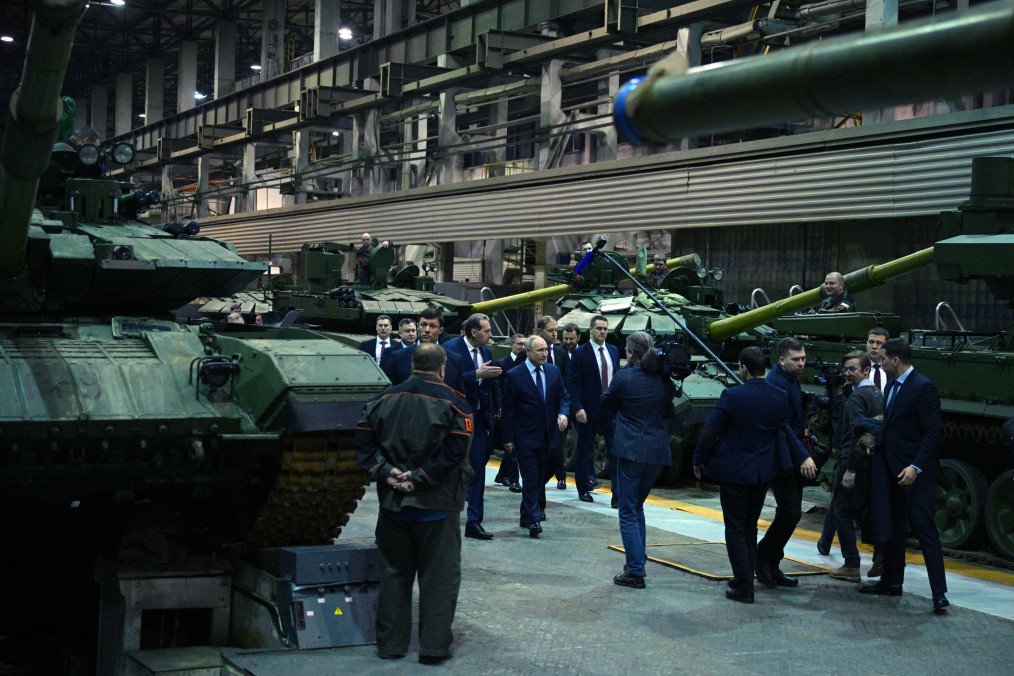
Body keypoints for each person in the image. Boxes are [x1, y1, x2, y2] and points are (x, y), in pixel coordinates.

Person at [354, 343, 473, 665]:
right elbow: (455, 453)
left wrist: (387, 473)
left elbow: (363, 445)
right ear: (442, 367)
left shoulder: (380, 400)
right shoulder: (455, 404)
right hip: (437, 507)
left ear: (412, 365)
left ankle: (391, 645)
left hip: (393, 505)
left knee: (393, 575)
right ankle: (432, 648)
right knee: (439, 579)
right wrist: (419, 478)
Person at [692, 347, 813, 604]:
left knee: (735, 528)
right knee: (750, 526)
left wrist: (699, 459)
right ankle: (745, 577)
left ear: (743, 368)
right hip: (762, 473)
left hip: (734, 473)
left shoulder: (732, 395)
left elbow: (710, 431)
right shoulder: (779, 395)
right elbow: (783, 430)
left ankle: (744, 586)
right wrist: (802, 455)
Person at [859, 338, 948, 614]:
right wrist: (876, 443)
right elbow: (892, 426)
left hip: (915, 473)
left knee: (924, 529)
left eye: (883, 358)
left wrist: (915, 467)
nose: (880, 362)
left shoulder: (923, 387)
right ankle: (891, 582)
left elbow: (932, 432)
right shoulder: (892, 386)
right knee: (894, 527)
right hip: (891, 469)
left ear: (895, 360)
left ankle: (939, 594)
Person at [600, 331, 675, 589]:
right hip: (657, 452)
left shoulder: (624, 378)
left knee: (627, 511)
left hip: (631, 451)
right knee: (637, 507)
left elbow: (605, 406)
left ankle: (635, 571)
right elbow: (669, 412)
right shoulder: (663, 380)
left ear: (630, 351)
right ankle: (637, 559)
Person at [756, 337, 819, 588]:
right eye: (796, 359)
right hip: (782, 459)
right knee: (790, 512)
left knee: (789, 513)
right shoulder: (777, 383)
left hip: (790, 456)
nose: (801, 363)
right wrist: (802, 455)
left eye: (803, 358)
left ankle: (771, 563)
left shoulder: (790, 379)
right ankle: (763, 558)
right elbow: (781, 426)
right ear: (781, 360)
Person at [501, 336, 570, 538]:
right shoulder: (514, 375)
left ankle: (526, 513)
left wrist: (563, 413)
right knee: (531, 477)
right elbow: (508, 410)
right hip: (525, 436)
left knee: (541, 474)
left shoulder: (553, 371)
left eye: (546, 350)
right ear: (528, 352)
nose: (544, 354)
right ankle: (533, 518)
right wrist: (507, 438)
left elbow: (563, 397)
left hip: (549, 435)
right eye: (540, 350)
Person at [444, 314, 502, 541]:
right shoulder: (451, 350)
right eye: (487, 331)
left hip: (478, 419)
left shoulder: (486, 352)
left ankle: (474, 522)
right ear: (474, 332)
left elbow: (489, 385)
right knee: (450, 470)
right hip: (454, 419)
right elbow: (447, 382)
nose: (490, 335)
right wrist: (475, 374)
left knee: (477, 470)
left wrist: (495, 410)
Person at [827, 351, 883, 583]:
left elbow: (858, 435)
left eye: (853, 369)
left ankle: (851, 565)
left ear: (866, 370)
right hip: (870, 461)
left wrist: (850, 469)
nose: (847, 373)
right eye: (846, 369)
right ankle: (881, 553)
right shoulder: (877, 393)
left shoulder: (857, 398)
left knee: (842, 511)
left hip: (854, 461)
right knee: (864, 511)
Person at [566, 315, 619, 505]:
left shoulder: (613, 351)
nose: (603, 332)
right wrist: (578, 407)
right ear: (591, 330)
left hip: (610, 411)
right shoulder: (580, 353)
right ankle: (583, 488)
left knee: (615, 451)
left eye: (605, 328)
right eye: (599, 328)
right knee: (584, 450)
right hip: (588, 411)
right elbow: (572, 384)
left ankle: (617, 494)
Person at [383, 308, 473, 398]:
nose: (427, 330)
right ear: (418, 326)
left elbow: (459, 396)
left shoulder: (454, 360)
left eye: (432, 326)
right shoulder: (399, 357)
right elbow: (389, 393)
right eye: (423, 325)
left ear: (440, 330)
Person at [536, 316, 570, 490]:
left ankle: (547, 481)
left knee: (557, 453)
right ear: (540, 331)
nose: (555, 334)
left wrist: (564, 411)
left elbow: (566, 383)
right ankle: (535, 487)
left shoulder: (561, 354)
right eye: (550, 330)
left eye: (556, 330)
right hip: (535, 413)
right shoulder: (527, 355)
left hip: (556, 412)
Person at [493, 334, 526, 493]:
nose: (522, 347)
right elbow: (497, 387)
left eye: (524, 344)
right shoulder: (502, 363)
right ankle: (513, 480)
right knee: (511, 445)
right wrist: (499, 406)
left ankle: (503, 475)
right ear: (512, 345)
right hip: (507, 409)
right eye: (519, 344)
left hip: (521, 410)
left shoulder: (525, 363)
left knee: (514, 447)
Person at [866, 327, 890, 396]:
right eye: (871, 342)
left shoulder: (892, 369)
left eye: (879, 343)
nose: (874, 346)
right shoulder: (859, 366)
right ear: (866, 343)